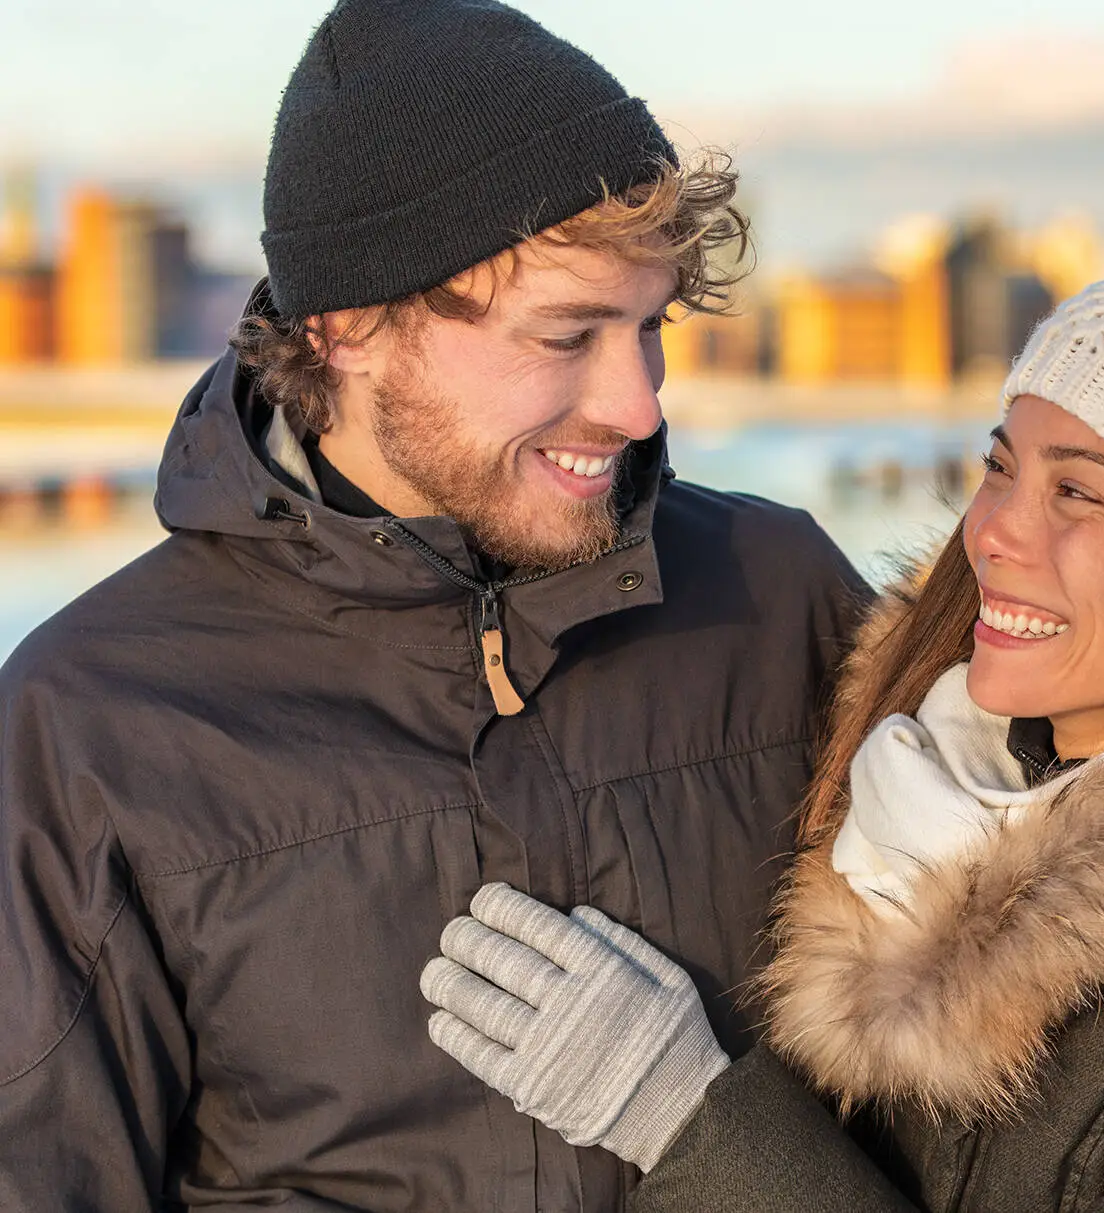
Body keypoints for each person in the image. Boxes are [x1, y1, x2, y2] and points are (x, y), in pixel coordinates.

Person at [420, 222, 1104, 1211]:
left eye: (1078, 491)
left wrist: (683, 1119)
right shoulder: (904, 805)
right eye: (999, 469)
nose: (992, 533)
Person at [0, 1, 862, 1207]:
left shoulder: (783, 599)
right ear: (349, 325)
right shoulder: (90, 720)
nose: (641, 405)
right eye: (567, 334)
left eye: (648, 326)